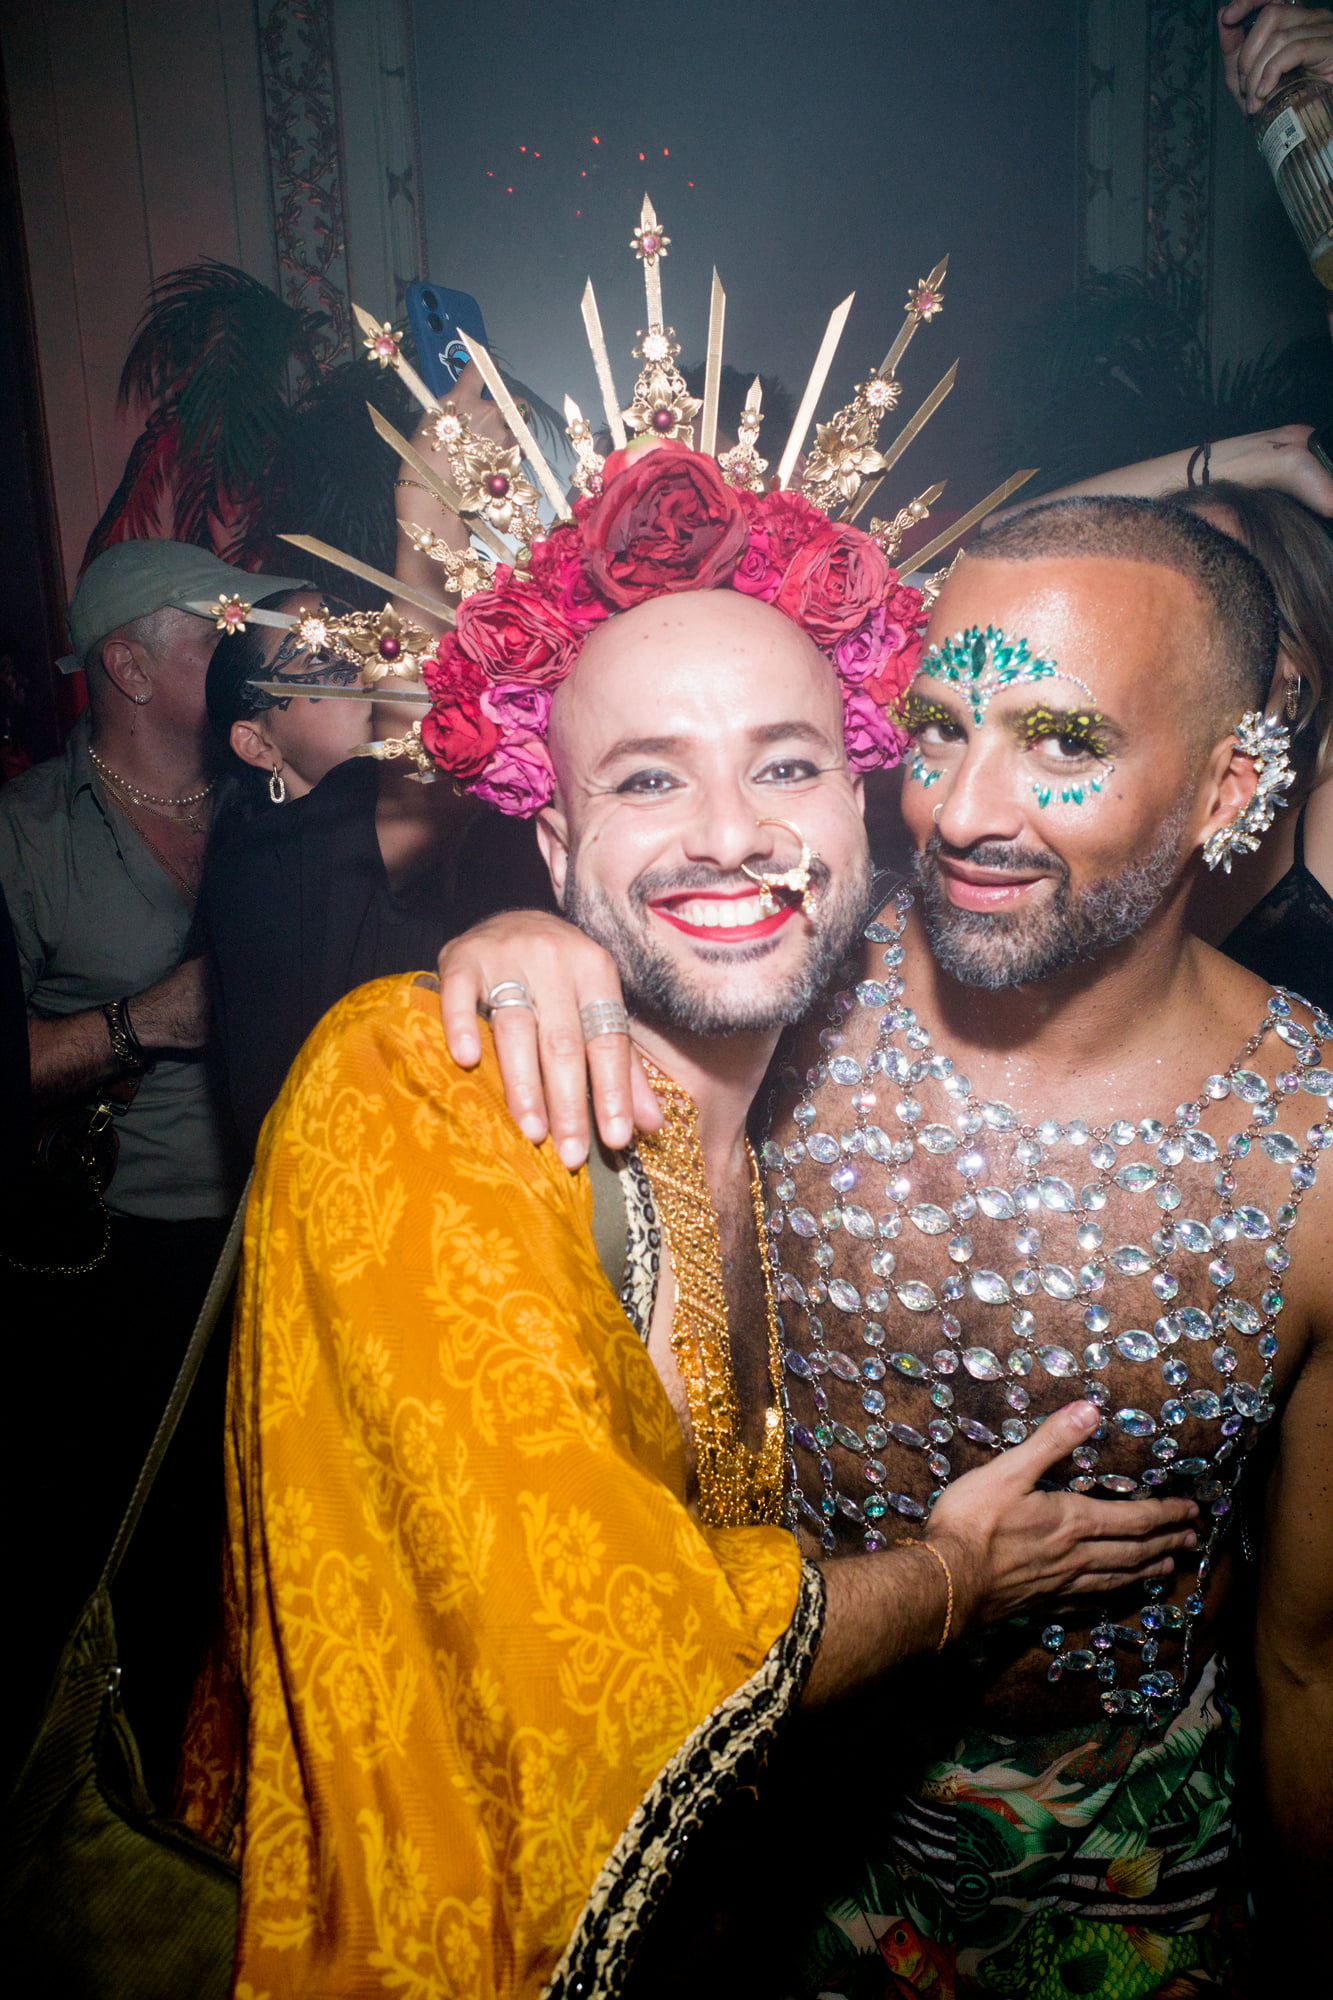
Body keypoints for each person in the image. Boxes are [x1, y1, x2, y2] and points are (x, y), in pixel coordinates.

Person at [178, 446, 1200, 2000]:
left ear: (868, 822)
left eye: (785, 766)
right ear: (553, 841)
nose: (728, 832)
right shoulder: (411, 1091)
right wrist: (954, 1581)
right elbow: (604, 1680)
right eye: (646, 778)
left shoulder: (827, 1107)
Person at [435, 495, 1333, 1992]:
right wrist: (522, 947)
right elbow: (643, 898)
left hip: (1129, 1876)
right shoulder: (784, 980)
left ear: (1226, 780)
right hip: (757, 1823)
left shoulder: (1313, 1145)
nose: (962, 810)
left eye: (1065, 744)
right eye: (934, 732)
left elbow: (1310, 1657)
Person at [0, 538, 303, 1783]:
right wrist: (143, 1022)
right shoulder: (25, 830)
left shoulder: (274, 793)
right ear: (125, 662)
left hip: (272, 1242)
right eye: (210, 631)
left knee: (264, 1559)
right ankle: (104, 1816)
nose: (238, 655)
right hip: (113, 1266)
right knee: (124, 1565)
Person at [199, 588, 553, 1151]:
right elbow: (431, 706)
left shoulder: (464, 837)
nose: (365, 664)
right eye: (320, 656)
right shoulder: (261, 866)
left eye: (361, 639)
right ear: (257, 742)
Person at [1017, 431, 1333, 1008]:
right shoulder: (1091, 795)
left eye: (1207, 587)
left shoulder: (1325, 820)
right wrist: (1251, 456)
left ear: (1290, 651)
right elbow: (1001, 546)